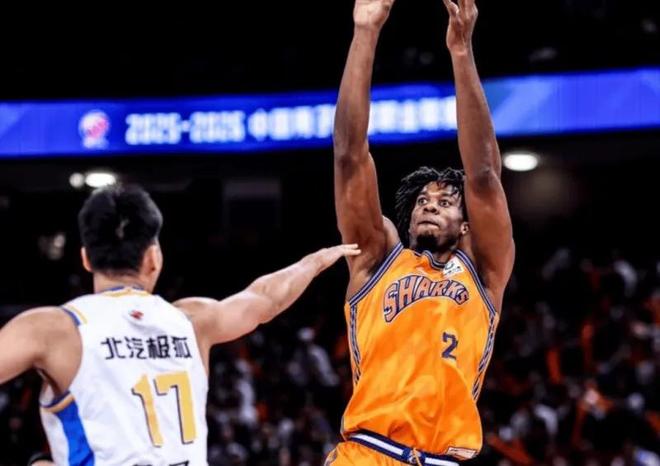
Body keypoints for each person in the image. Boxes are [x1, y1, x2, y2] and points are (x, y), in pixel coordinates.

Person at [0, 184, 360, 466]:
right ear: (153, 258)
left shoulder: (55, 330)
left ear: (85, 259)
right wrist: (313, 263)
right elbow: (264, 299)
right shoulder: (192, 320)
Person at [330, 0, 515, 463]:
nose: (430, 205)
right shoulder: (377, 259)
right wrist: (365, 32)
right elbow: (349, 155)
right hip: (367, 452)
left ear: (467, 224)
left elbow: (484, 174)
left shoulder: (484, 272)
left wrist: (461, 51)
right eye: (423, 201)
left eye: (445, 202)